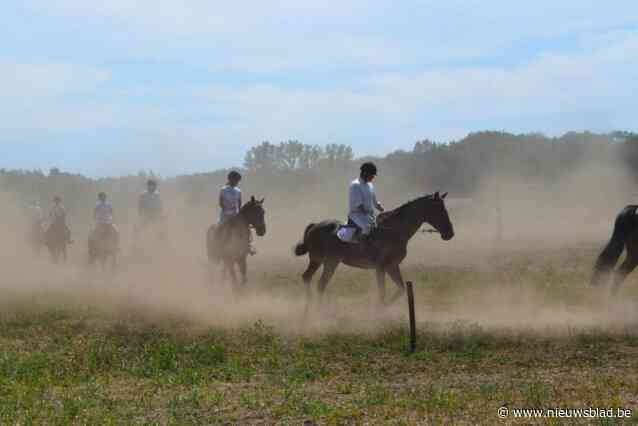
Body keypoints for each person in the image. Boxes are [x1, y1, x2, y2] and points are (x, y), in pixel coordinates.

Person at [348, 162, 385, 253]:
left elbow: (375, 202)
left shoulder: (370, 185)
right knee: (367, 227)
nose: (373, 177)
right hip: (356, 215)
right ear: (365, 173)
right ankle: (361, 250)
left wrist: (381, 208)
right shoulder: (355, 185)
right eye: (372, 175)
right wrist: (371, 214)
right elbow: (359, 206)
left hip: (368, 215)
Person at [217, 171, 255, 254]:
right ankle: (219, 247)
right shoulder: (223, 190)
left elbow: (239, 203)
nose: (237, 182)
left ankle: (249, 246)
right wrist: (227, 211)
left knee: (247, 228)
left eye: (238, 180)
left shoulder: (238, 191)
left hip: (236, 214)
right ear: (230, 179)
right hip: (225, 214)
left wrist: (239, 213)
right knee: (220, 229)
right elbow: (220, 203)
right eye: (236, 180)